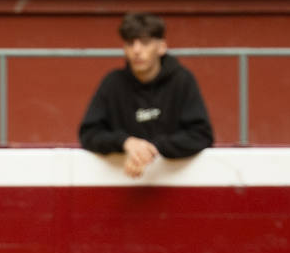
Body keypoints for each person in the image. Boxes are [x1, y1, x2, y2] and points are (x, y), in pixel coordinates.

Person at [78, 12, 214, 178]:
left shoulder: (182, 80)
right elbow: (89, 134)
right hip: (121, 184)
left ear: (162, 46)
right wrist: (126, 142)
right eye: (130, 43)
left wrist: (153, 149)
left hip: (174, 183)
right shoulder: (112, 83)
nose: (136, 50)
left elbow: (201, 135)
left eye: (145, 42)